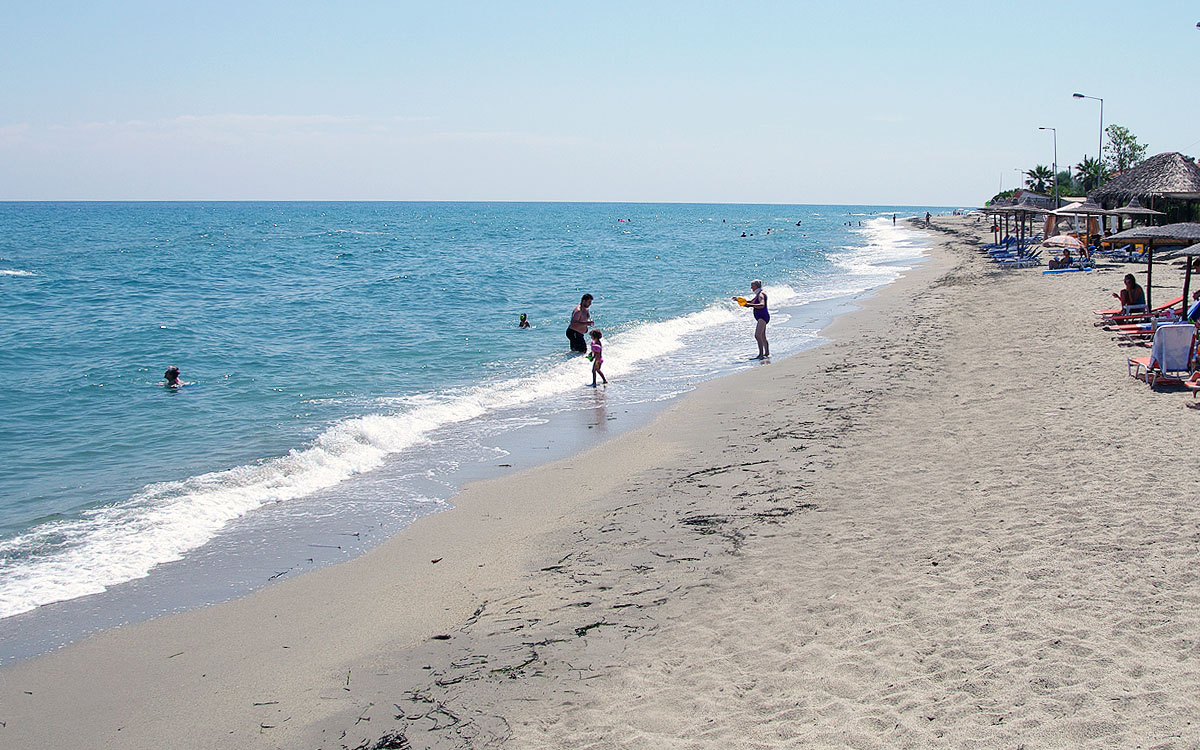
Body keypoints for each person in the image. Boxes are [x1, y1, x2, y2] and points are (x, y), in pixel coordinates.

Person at [734, 280, 770, 359]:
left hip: (762, 317)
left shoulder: (761, 294)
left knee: (757, 335)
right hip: (762, 317)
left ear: (756, 286)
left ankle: (761, 354)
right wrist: (739, 300)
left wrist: (749, 305)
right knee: (762, 336)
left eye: (752, 286)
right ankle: (766, 353)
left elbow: (762, 305)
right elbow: (750, 301)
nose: (751, 288)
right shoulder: (758, 294)